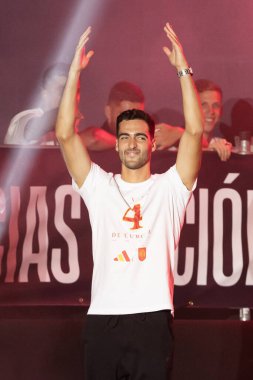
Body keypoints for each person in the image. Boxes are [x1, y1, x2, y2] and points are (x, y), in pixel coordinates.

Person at [56, 23, 203, 379]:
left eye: (140, 137)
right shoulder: (99, 187)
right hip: (102, 320)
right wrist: (73, 72)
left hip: (151, 320)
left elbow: (195, 131)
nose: (133, 143)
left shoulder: (171, 187)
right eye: (126, 137)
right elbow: (64, 134)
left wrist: (183, 69)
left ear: (152, 144)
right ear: (118, 144)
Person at [79, 80, 181, 150]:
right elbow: (92, 138)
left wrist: (180, 134)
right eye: (125, 115)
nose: (131, 120)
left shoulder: (149, 135)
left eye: (137, 115)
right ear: (108, 112)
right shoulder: (99, 139)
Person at [153, 78, 233, 161]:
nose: (211, 111)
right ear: (191, 108)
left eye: (216, 105)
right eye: (204, 105)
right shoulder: (172, 141)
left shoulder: (220, 144)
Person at [4, 63, 69, 145]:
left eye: (71, 91)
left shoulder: (66, 126)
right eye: (60, 89)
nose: (67, 96)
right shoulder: (24, 117)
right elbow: (32, 130)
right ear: (44, 93)